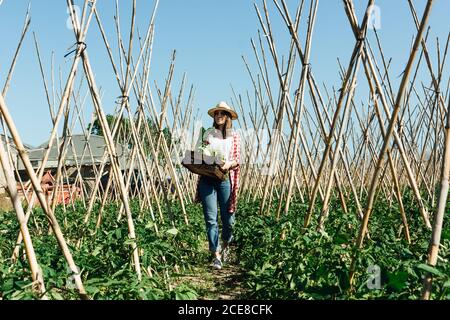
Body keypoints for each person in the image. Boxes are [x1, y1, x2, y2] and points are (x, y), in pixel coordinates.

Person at [195, 101, 241, 270]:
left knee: (228, 219)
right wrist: (203, 156)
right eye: (217, 113)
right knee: (211, 219)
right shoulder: (207, 133)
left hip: (224, 179)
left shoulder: (234, 136)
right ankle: (216, 255)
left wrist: (228, 164)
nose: (219, 115)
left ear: (228, 116)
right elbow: (199, 152)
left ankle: (226, 244)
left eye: (222, 113)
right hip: (207, 179)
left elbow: (238, 159)